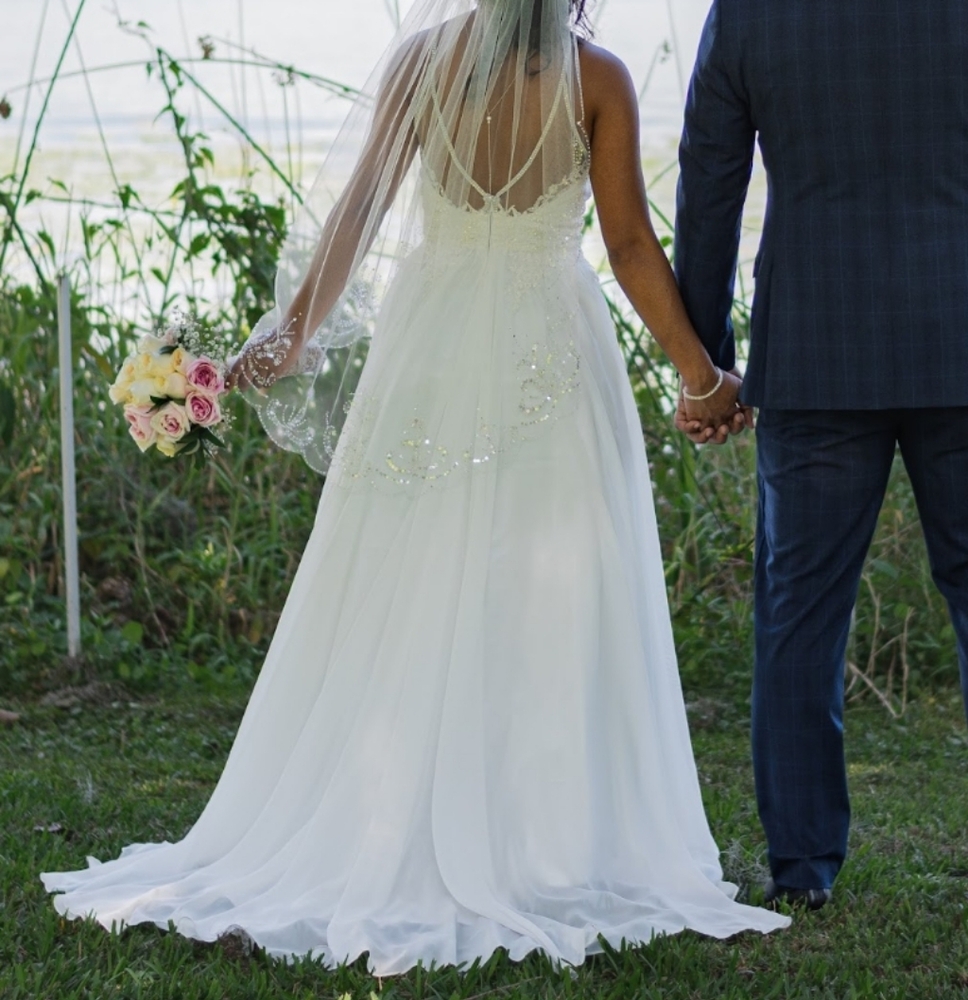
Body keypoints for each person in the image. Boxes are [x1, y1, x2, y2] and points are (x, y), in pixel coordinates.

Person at [42, 0, 788, 974]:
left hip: (428, 341)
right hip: (547, 353)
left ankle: (393, 807)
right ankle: (545, 830)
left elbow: (354, 215)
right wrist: (700, 378)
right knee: (546, 586)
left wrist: (284, 339)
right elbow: (628, 247)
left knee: (406, 566)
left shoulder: (418, 64)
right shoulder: (594, 77)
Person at [673, 0, 968, 911]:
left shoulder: (752, 13)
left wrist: (708, 360)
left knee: (799, 620)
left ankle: (804, 870)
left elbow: (710, 184)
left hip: (816, 349)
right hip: (957, 335)